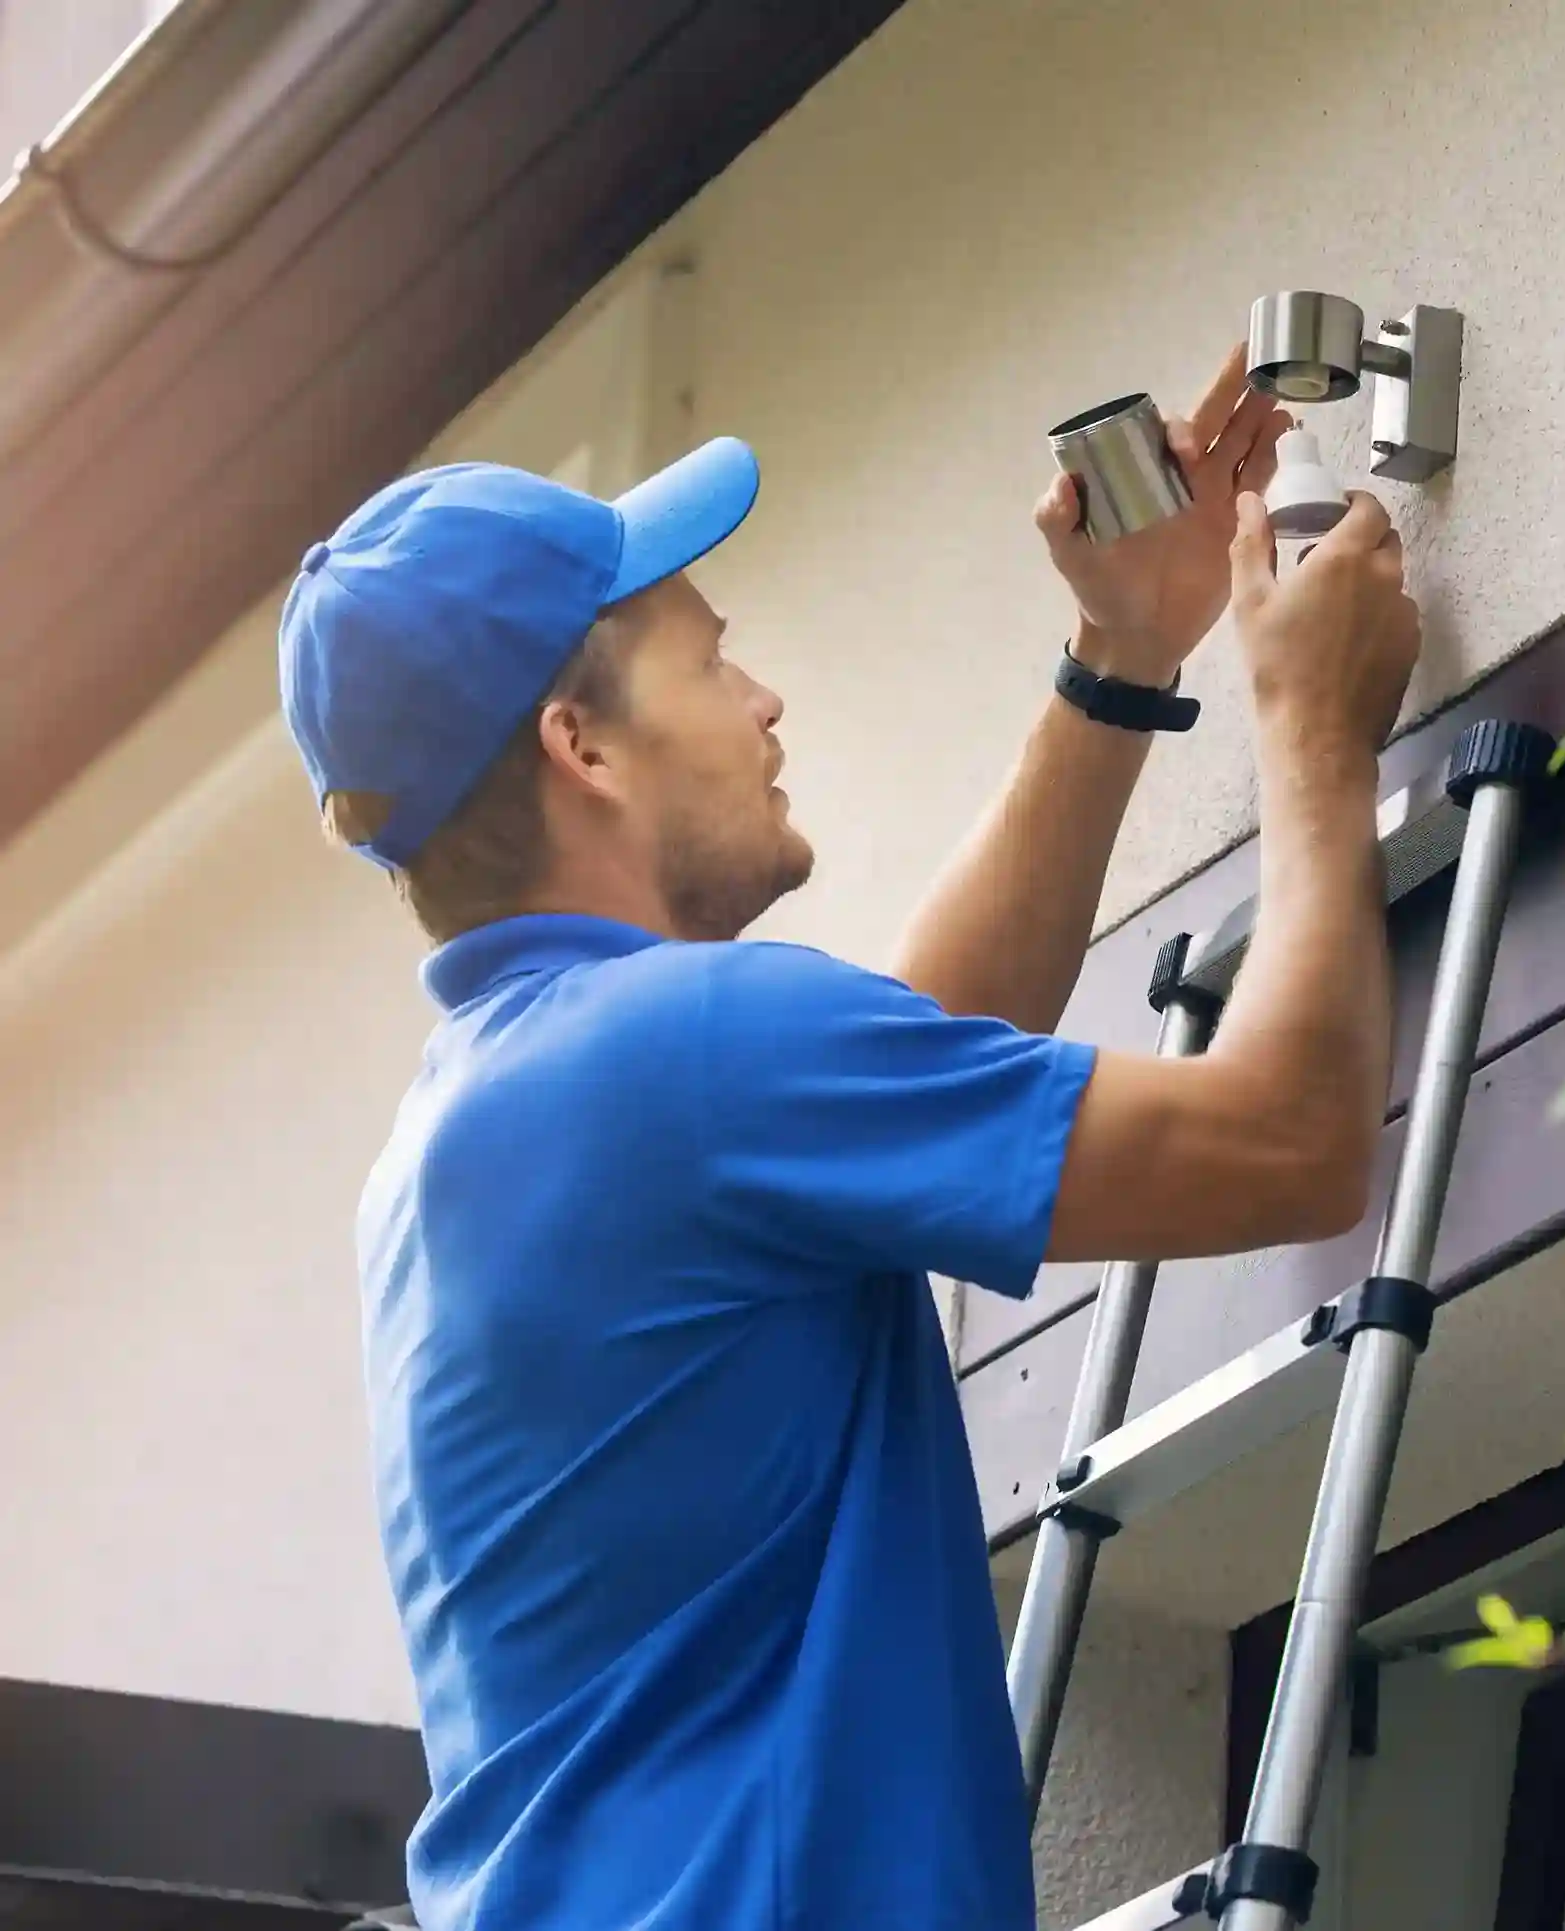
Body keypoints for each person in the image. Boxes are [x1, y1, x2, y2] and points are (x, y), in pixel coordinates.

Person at [277, 346, 1422, 1931]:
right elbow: (1292, 1142)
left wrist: (1124, 652)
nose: (764, 699)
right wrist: (1314, 724)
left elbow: (918, 1043)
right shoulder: (680, 1059)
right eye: (707, 659)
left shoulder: (488, 1121)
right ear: (581, 745)